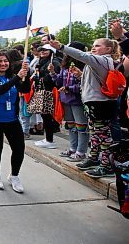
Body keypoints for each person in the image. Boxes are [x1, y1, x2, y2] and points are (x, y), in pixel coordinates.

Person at [49, 38, 120, 178]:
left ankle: (106, 165)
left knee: (103, 135)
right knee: (95, 133)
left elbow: (82, 56)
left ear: (108, 49)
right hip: (94, 103)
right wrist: (80, 75)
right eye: (93, 45)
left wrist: (62, 47)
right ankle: (93, 158)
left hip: (101, 104)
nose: (94, 48)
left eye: (98, 46)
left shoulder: (103, 60)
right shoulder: (99, 61)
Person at [0, 52, 31, 192]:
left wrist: (25, 75)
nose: (3, 64)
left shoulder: (12, 76)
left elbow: (25, 89)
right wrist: (17, 77)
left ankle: (14, 176)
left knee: (19, 148)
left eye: (5, 61)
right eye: (0, 61)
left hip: (12, 119)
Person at [49, 41, 88, 162]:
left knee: (81, 126)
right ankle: (72, 148)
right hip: (66, 100)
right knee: (71, 126)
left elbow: (84, 85)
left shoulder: (85, 66)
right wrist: (52, 73)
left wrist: (69, 88)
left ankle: (81, 152)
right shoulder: (65, 66)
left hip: (78, 101)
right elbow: (59, 82)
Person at [30, 44, 61, 148]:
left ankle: (50, 140)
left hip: (49, 92)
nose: (42, 52)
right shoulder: (42, 62)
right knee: (44, 116)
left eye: (45, 50)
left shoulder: (54, 62)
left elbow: (53, 77)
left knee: (47, 117)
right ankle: (48, 138)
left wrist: (39, 79)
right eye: (41, 50)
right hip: (42, 91)